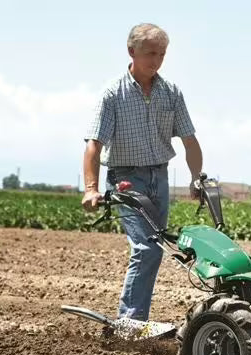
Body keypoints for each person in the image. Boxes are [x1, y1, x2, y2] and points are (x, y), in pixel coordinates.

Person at [81, 23, 203, 322]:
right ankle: (130, 322)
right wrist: (90, 187)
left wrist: (196, 177)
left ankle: (135, 320)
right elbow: (93, 144)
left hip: (159, 177)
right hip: (126, 179)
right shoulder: (113, 94)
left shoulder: (171, 92)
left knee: (156, 248)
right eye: (150, 53)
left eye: (161, 54)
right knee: (146, 248)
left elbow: (189, 140)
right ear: (131, 51)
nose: (156, 60)